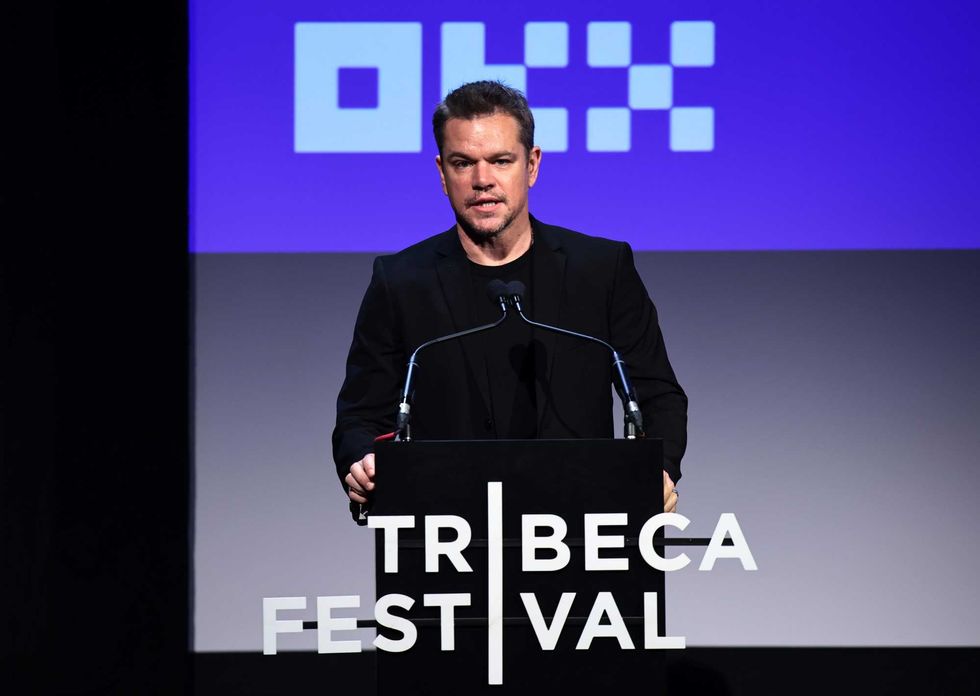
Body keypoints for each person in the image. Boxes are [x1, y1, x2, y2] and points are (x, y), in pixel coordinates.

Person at [333, 81, 686, 517]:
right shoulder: (402, 280)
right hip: (446, 534)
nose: (483, 181)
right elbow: (362, 414)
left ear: (532, 165)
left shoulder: (600, 269)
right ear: (442, 173)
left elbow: (655, 395)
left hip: (584, 527)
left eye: (501, 161)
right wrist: (363, 461)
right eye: (464, 163)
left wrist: (659, 468)